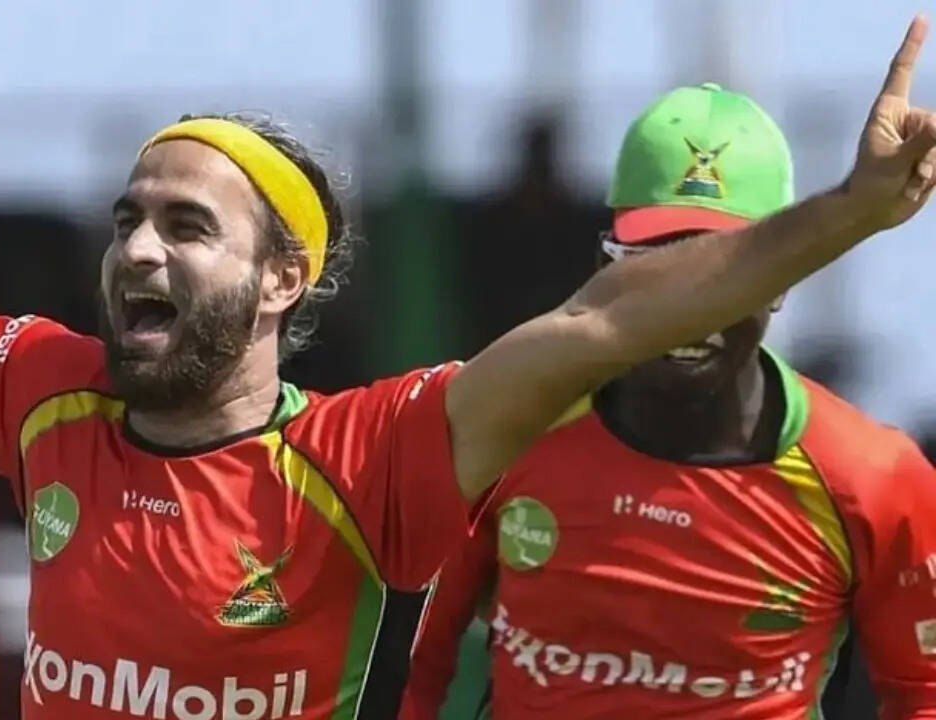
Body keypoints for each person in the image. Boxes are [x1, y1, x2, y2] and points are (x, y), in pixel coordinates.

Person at [0, 1, 935, 717]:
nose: (137, 248)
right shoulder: (47, 396)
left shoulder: (365, 457)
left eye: (185, 226)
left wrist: (844, 214)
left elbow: (604, 324)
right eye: (126, 218)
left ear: (280, 280)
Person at [401, 84, 936, 720]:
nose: (689, 308)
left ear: (782, 281)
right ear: (606, 266)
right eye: (658, 263)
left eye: (725, 272)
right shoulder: (503, 429)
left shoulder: (874, 478)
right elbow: (410, 672)